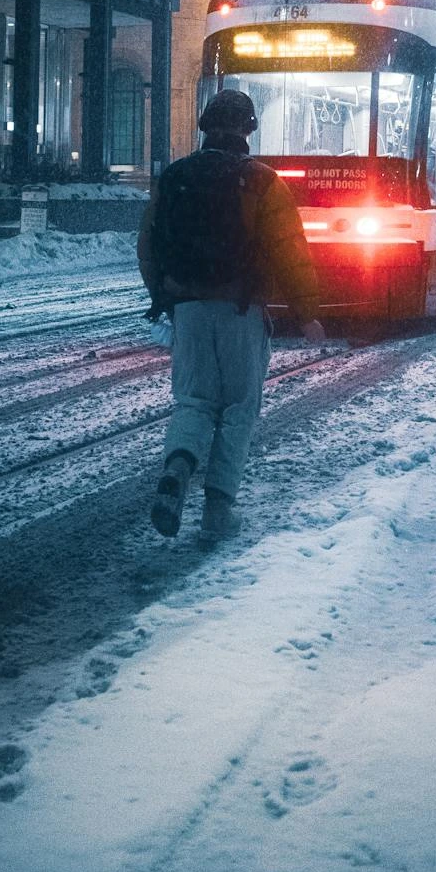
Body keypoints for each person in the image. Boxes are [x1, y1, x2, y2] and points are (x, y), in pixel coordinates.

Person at [139, 89, 325, 542]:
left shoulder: (174, 177)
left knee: (194, 401)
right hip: (242, 310)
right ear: (247, 129)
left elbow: (148, 244)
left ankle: (178, 471)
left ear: (205, 128)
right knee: (239, 407)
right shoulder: (262, 181)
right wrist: (306, 312)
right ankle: (218, 508)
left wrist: (164, 296)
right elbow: (290, 251)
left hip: (189, 311)